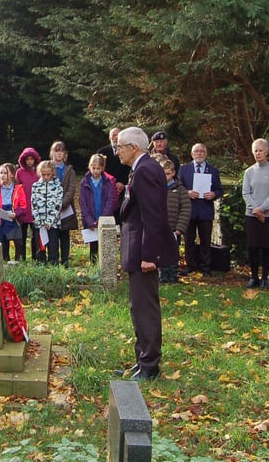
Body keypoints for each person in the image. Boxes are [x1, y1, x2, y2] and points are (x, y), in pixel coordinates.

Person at [115, 127, 178, 381]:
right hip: (137, 248)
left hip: (144, 251)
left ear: (134, 148)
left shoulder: (146, 171)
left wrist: (149, 256)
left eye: (120, 146)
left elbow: (153, 217)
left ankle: (150, 365)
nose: (117, 150)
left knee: (145, 308)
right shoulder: (141, 169)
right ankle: (142, 360)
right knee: (137, 306)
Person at [241, 138, 269, 289]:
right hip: (252, 214)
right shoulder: (249, 172)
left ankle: (265, 277)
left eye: (261, 150)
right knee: (253, 246)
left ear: (267, 151)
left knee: (267, 246)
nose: (258, 153)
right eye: (255, 151)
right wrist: (256, 209)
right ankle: (253, 277)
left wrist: (263, 208)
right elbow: (246, 193)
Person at [178, 143, 224, 275]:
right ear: (192, 154)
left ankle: (205, 267)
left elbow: (219, 189)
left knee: (205, 240)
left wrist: (214, 194)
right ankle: (190, 266)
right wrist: (187, 192)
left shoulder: (213, 170)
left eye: (202, 151)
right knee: (189, 240)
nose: (199, 154)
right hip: (189, 210)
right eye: (196, 152)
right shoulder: (184, 169)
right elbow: (178, 187)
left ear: (206, 153)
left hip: (205, 210)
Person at [79, 154, 118, 265]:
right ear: (89, 167)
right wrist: (90, 220)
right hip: (91, 218)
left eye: (98, 168)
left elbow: (110, 201)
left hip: (103, 217)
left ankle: (105, 267)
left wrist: (103, 219)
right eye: (93, 168)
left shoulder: (108, 183)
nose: (96, 171)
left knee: (105, 244)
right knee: (94, 246)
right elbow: (83, 204)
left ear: (102, 168)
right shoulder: (84, 183)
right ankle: (94, 266)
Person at [156, 156, 190, 284]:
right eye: (163, 174)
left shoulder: (181, 190)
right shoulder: (156, 189)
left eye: (168, 173)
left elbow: (186, 209)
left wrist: (180, 228)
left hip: (174, 228)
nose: (165, 176)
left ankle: (173, 276)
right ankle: (163, 276)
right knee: (160, 253)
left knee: (173, 254)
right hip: (159, 228)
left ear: (173, 173)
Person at [0, 162, 27, 263]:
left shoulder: (18, 188)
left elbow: (23, 205)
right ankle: (5, 263)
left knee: (18, 242)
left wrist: (16, 214)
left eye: (5, 173)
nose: (2, 175)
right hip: (1, 218)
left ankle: (18, 263)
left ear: (12, 174)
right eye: (1, 173)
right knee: (3, 242)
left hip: (13, 217)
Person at [50, 141, 78, 266]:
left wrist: (63, 203)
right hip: (51, 207)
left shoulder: (69, 169)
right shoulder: (47, 167)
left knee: (65, 234)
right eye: (57, 150)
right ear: (52, 153)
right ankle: (54, 261)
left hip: (65, 208)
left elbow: (72, 188)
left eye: (61, 151)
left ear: (65, 153)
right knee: (53, 235)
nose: (59, 153)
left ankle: (65, 261)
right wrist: (53, 204)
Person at [32, 160, 63, 264]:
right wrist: (39, 221)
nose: (45, 177)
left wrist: (49, 221)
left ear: (53, 172)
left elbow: (58, 206)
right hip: (39, 224)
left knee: (53, 247)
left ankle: (53, 268)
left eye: (48, 174)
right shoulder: (35, 186)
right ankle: (41, 268)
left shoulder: (58, 186)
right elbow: (33, 205)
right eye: (43, 174)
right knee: (40, 249)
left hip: (52, 224)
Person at [97, 128, 130, 220]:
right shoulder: (102, 152)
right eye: (113, 135)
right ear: (109, 137)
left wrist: (122, 182)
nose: (115, 137)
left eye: (118, 135)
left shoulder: (127, 152)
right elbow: (99, 171)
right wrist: (112, 183)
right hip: (106, 189)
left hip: (123, 189)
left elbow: (129, 169)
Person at [16, 147, 43, 261]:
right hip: (22, 209)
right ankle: (21, 259)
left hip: (35, 209)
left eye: (32, 159)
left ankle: (36, 259)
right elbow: (16, 190)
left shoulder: (39, 172)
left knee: (35, 237)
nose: (30, 161)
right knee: (21, 236)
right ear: (24, 160)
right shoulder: (19, 173)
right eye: (27, 159)